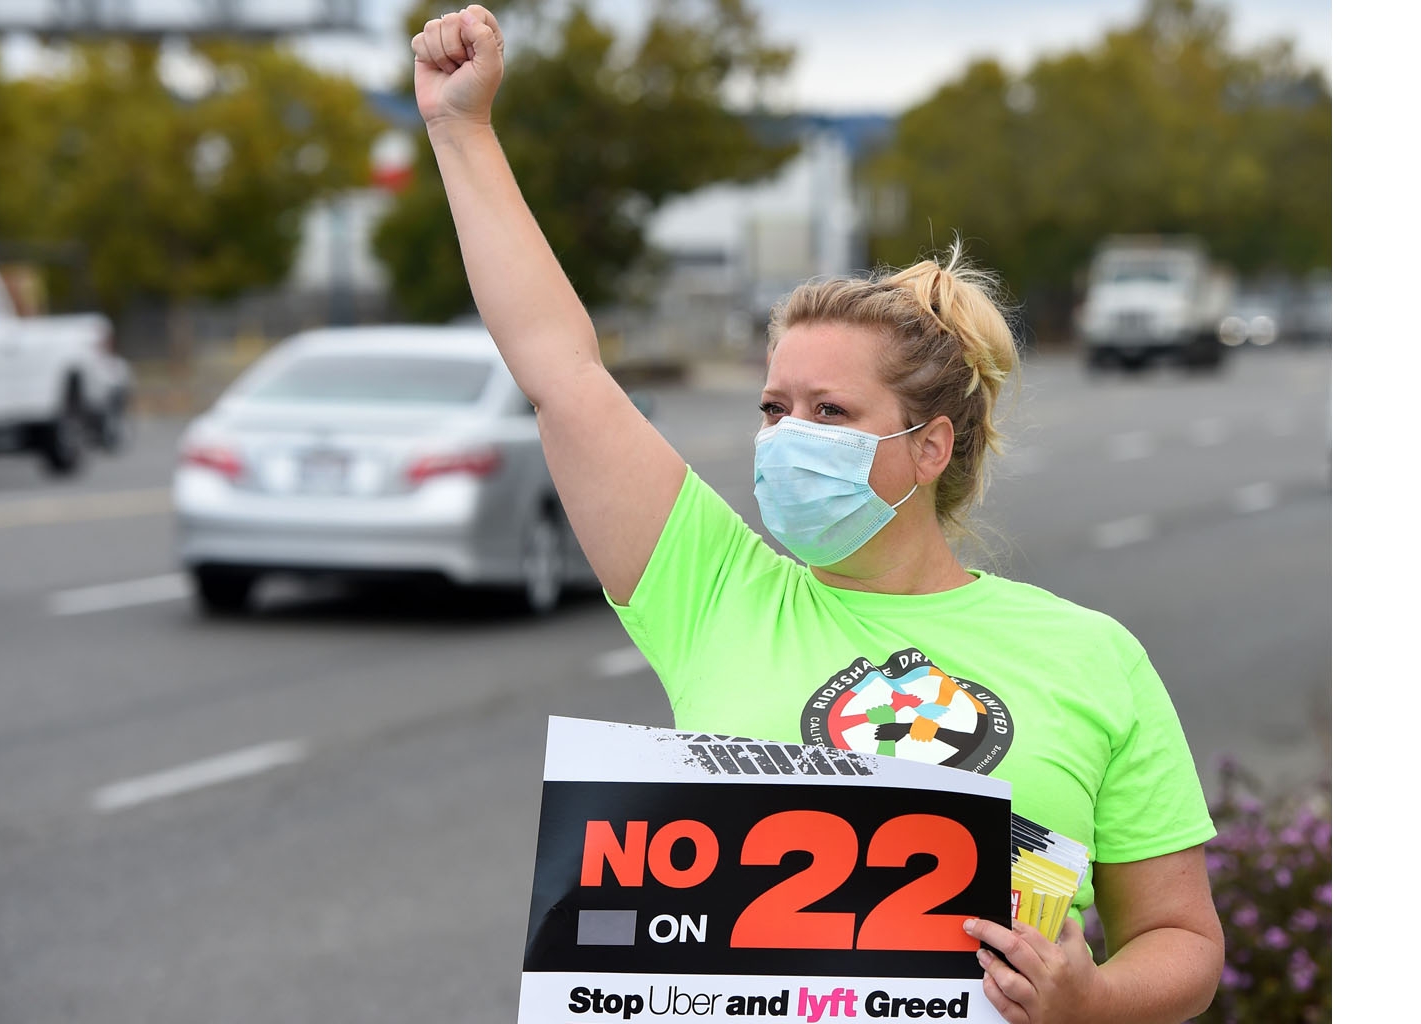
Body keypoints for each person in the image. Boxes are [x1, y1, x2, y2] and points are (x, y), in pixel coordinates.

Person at [411, 7, 1224, 1022]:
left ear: (929, 447)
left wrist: (1090, 997)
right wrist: (461, 130)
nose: (788, 435)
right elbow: (562, 371)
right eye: (772, 407)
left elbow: (1183, 940)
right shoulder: (710, 590)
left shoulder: (1094, 656)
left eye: (830, 411)